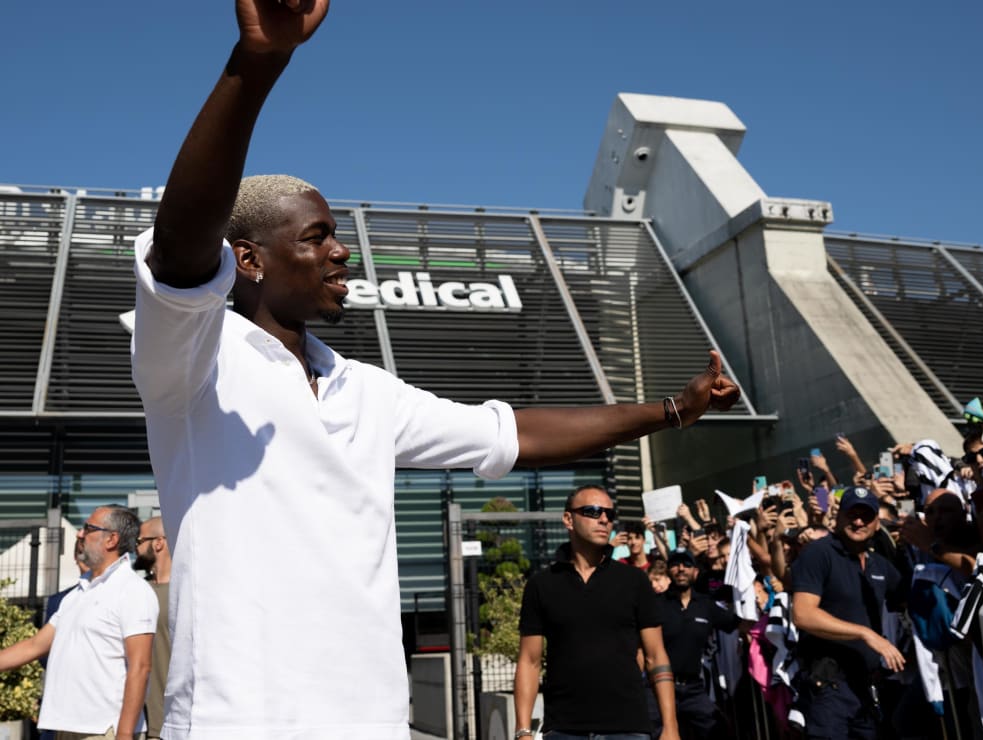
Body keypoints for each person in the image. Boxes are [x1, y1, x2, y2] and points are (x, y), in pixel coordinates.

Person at [131, 3, 740, 738]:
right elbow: (180, 250)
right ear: (249, 261)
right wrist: (258, 62)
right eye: (317, 237)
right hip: (238, 722)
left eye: (339, 238)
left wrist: (670, 411)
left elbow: (513, 433)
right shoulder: (195, 360)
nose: (341, 253)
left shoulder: (364, 390)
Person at [514, 486, 679, 740]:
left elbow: (656, 656)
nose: (604, 519)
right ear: (568, 519)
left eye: (609, 514)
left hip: (628, 728)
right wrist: (523, 732)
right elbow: (529, 661)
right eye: (592, 511)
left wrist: (671, 727)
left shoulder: (634, 581)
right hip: (564, 729)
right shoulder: (542, 585)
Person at [0, 506, 157, 739]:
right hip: (65, 729)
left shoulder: (133, 590)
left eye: (88, 528)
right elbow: (34, 645)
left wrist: (124, 734)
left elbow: (141, 666)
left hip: (105, 732)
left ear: (111, 539)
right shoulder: (77, 595)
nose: (79, 534)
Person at [790, 486, 907, 739]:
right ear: (838, 517)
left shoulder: (879, 565)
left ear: (877, 523)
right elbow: (802, 614)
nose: (858, 521)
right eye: (852, 514)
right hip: (829, 686)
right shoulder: (819, 553)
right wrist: (865, 634)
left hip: (867, 689)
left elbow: (909, 599)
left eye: (866, 516)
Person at [652, 549, 739, 739]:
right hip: (657, 688)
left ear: (696, 572)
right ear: (668, 571)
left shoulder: (706, 605)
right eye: (675, 564)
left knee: (719, 729)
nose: (681, 569)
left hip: (692, 688)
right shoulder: (655, 604)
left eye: (687, 564)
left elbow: (739, 625)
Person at [133, 518, 171, 740]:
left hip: (173, 724)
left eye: (139, 541)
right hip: (139, 724)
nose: (135, 548)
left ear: (158, 543)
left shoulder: (187, 593)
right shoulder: (137, 592)